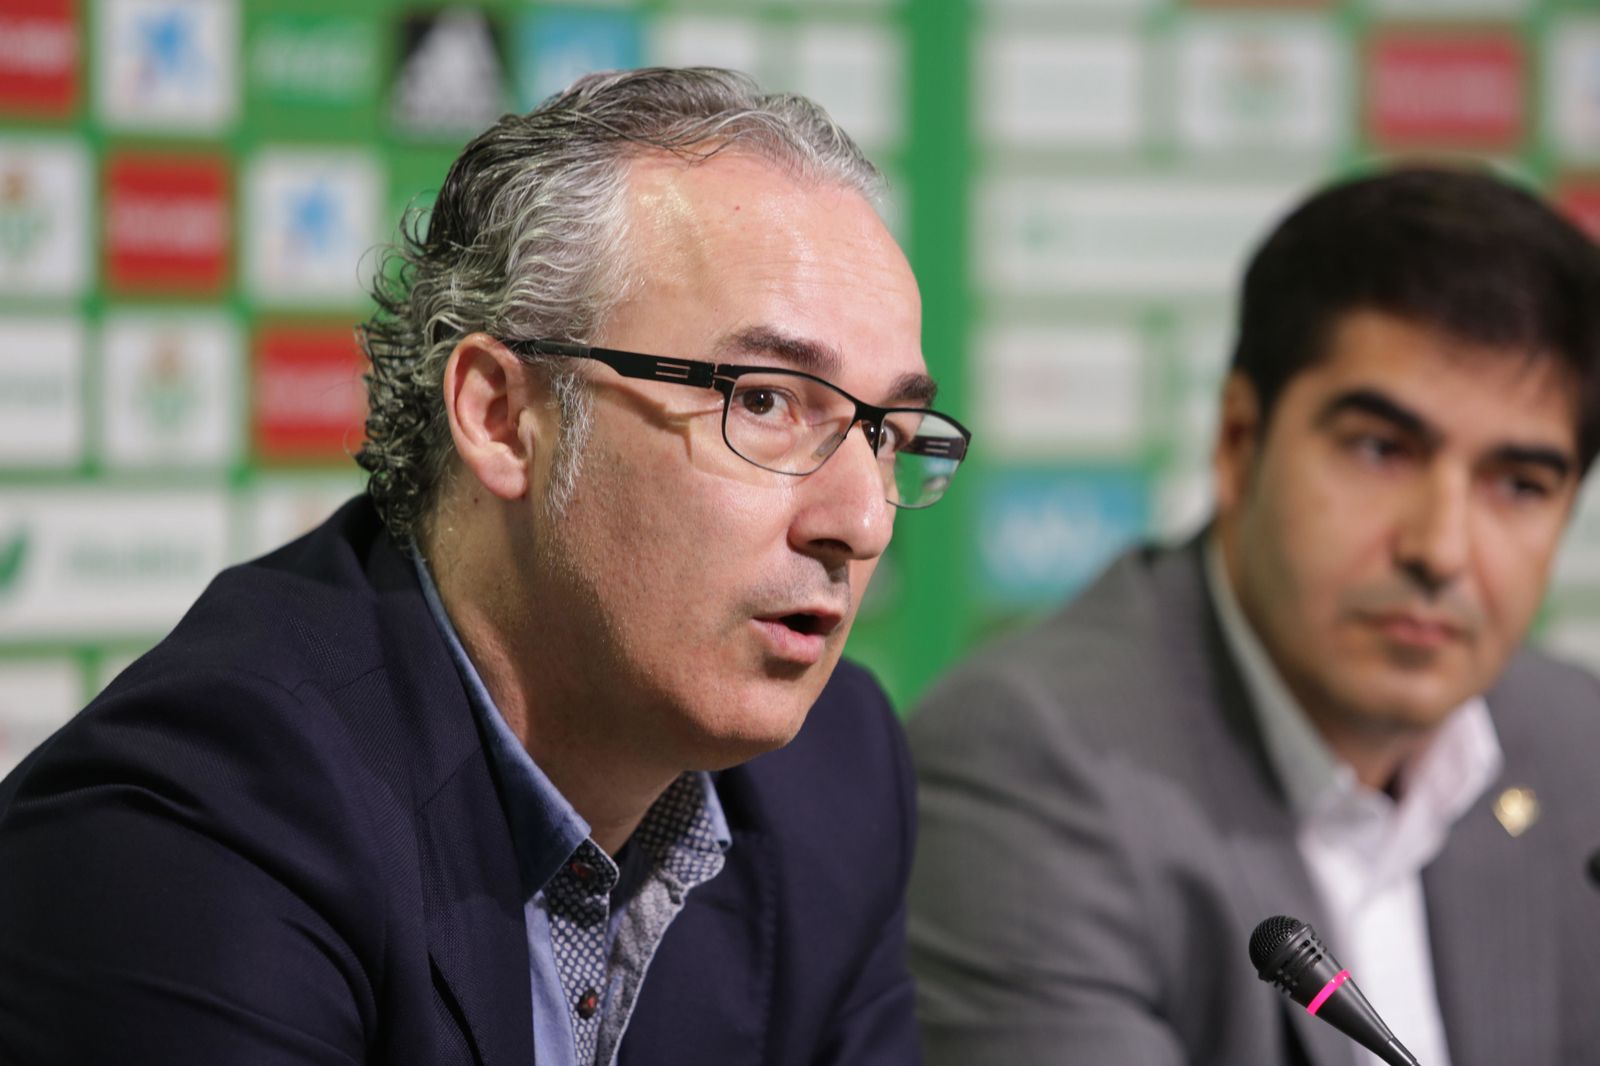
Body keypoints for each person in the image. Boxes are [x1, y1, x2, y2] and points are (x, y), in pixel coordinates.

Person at [0, 67, 970, 1065]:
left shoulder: (834, 774)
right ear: (502, 417)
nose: (859, 519)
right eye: (765, 402)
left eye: (887, 432)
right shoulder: (199, 818)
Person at [907, 166, 1600, 1066]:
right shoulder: (1028, 766)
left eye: (1518, 484)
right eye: (1382, 450)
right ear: (1238, 442)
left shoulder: (1577, 745)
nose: (1441, 549)